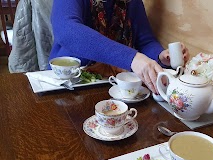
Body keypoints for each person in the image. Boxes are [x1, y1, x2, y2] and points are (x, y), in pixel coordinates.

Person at [49, 0, 189, 93]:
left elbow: (146, 41)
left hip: (117, 85)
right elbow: (66, 29)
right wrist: (132, 58)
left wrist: (160, 56)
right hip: (69, 84)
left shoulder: (132, 2)